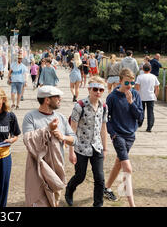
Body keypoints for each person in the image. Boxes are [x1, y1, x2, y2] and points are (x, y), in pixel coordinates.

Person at [22, 86, 76, 207]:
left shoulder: (61, 117)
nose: (60, 99)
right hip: (37, 168)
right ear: (47, 100)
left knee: (54, 202)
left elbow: (74, 139)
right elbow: (28, 140)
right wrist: (48, 129)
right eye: (57, 97)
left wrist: (63, 137)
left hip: (56, 169)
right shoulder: (30, 117)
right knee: (38, 201)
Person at [65, 76, 108, 207]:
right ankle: (69, 190)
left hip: (97, 146)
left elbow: (103, 127)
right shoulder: (80, 106)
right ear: (89, 89)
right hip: (80, 147)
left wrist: (105, 148)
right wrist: (71, 152)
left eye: (101, 90)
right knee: (80, 176)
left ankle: (98, 204)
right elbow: (72, 129)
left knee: (100, 178)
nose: (98, 92)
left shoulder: (104, 107)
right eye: (95, 89)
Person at [103, 68, 144, 207]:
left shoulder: (135, 95)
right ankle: (132, 204)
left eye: (132, 83)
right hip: (118, 135)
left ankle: (106, 187)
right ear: (120, 81)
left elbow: (140, 117)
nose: (129, 86)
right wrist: (113, 134)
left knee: (119, 162)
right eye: (127, 82)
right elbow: (106, 119)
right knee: (128, 168)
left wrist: (131, 102)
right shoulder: (112, 97)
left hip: (130, 135)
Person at [135, 63, 160, 132]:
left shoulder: (139, 77)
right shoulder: (154, 77)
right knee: (150, 112)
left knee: (141, 110)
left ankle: (139, 123)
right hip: (151, 96)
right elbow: (157, 87)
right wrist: (156, 95)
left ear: (143, 69)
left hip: (141, 96)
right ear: (150, 69)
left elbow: (137, 87)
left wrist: (136, 95)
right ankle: (149, 127)